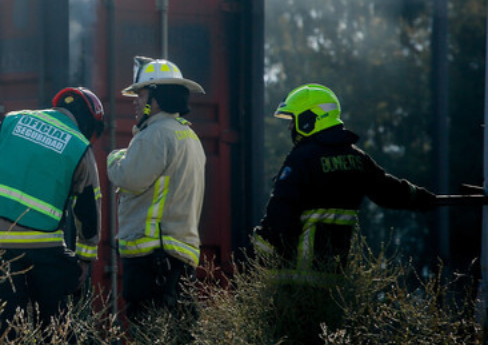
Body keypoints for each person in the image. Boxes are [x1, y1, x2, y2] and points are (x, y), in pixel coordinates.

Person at [252, 83, 438, 283]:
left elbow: (280, 213)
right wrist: (421, 197)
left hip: (293, 282)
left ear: (310, 119)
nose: (290, 127)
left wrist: (252, 256)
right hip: (334, 283)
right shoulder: (357, 158)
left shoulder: (301, 159)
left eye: (293, 120)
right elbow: (387, 190)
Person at [0, 87, 106, 332]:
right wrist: (85, 260)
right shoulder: (79, 145)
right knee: (54, 332)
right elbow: (89, 211)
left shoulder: (11, 121)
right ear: (88, 122)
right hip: (46, 254)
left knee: (1, 333)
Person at [106, 57, 206, 330]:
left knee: (148, 331)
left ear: (157, 99)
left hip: (152, 256)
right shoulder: (188, 136)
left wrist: (115, 157)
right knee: (178, 331)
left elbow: (129, 177)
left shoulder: (155, 135)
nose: (135, 101)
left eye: (141, 95)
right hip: (178, 256)